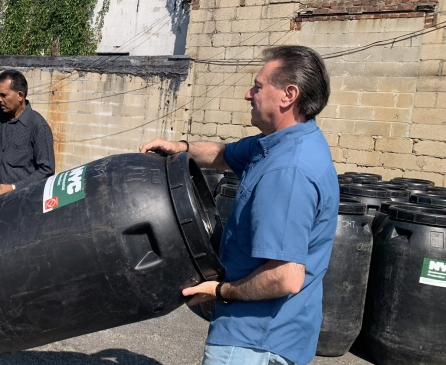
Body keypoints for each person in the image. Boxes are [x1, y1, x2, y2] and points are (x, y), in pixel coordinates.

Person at [140, 45, 339, 365]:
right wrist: (180, 148)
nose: (249, 94)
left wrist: (221, 291)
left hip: (255, 342)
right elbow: (224, 154)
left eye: (258, 87)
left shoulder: (288, 171)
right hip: (268, 335)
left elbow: (286, 276)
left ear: (288, 95)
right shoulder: (281, 143)